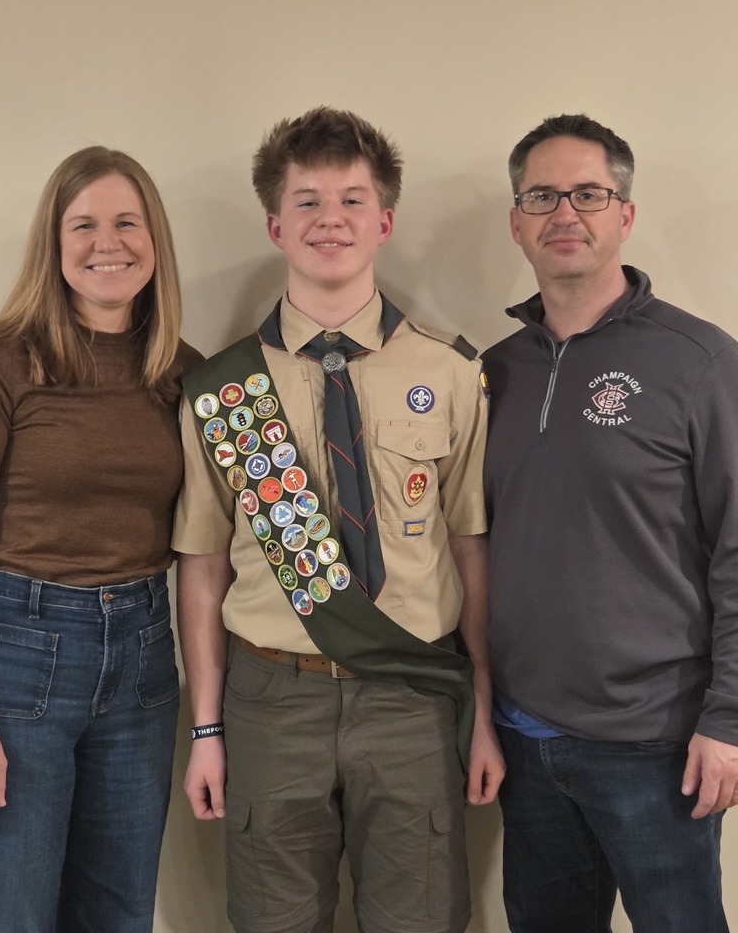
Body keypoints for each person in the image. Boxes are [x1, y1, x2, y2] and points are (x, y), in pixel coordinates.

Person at [173, 106, 504, 933]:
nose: (332, 220)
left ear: (384, 222)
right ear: (276, 224)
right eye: (310, 201)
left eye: (353, 200)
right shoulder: (224, 389)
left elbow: (471, 547)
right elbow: (202, 564)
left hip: (413, 695)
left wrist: (486, 712)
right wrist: (206, 727)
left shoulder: (452, 369)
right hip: (270, 698)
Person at [483, 113, 738, 932]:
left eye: (589, 194)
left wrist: (728, 720)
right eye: (543, 195)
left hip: (657, 744)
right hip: (523, 735)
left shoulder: (699, 363)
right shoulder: (490, 373)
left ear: (624, 215)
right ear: (516, 222)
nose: (566, 213)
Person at [0, 146, 202, 932]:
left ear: (155, 239)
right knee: (11, 911)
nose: (110, 242)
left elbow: (222, 543)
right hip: (14, 662)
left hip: (143, 657)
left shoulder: (187, 374)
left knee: (118, 911)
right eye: (86, 224)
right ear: (54, 241)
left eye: (127, 222)